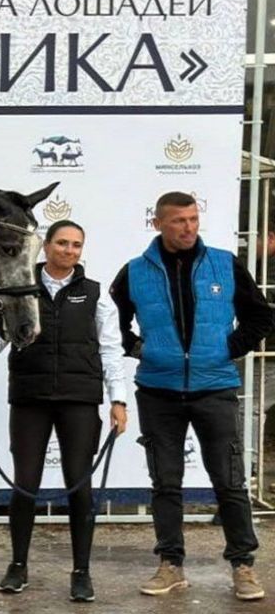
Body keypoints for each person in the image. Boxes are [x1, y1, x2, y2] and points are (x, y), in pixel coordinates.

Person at [110, 191, 274, 601]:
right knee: (165, 483)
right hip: (157, 391)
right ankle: (170, 565)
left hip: (214, 388)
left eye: (193, 219)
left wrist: (226, 349)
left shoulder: (223, 262)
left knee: (230, 482)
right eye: (179, 220)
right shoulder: (134, 271)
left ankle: (243, 566)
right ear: (159, 224)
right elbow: (111, 325)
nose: (188, 227)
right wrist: (139, 349)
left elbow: (261, 315)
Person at [0, 219, 127, 603]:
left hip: (80, 400)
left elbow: (112, 351)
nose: (69, 250)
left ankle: (81, 572)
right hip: (30, 399)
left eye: (76, 245)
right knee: (24, 485)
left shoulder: (96, 294)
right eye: (62, 243)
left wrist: (118, 400)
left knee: (80, 487)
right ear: (45, 246)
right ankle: (18, 566)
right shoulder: (18, 288)